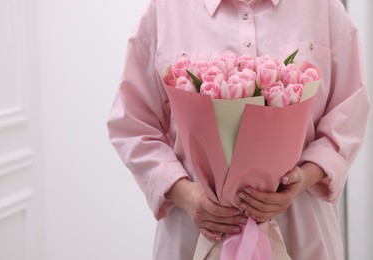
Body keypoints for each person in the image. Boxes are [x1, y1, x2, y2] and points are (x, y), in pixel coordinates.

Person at [107, 0, 370, 259]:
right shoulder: (164, 10)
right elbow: (132, 123)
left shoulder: (322, 7)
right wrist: (184, 193)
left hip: (302, 236)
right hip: (193, 237)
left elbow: (349, 110)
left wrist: (303, 178)